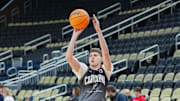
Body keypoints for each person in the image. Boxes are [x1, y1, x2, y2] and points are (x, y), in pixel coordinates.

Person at [66, 14, 113, 101]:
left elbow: (106, 54)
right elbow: (69, 58)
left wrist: (98, 31)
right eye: (90, 56)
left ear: (101, 59)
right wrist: (74, 35)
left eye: (95, 55)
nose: (92, 57)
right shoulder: (84, 70)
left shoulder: (105, 70)